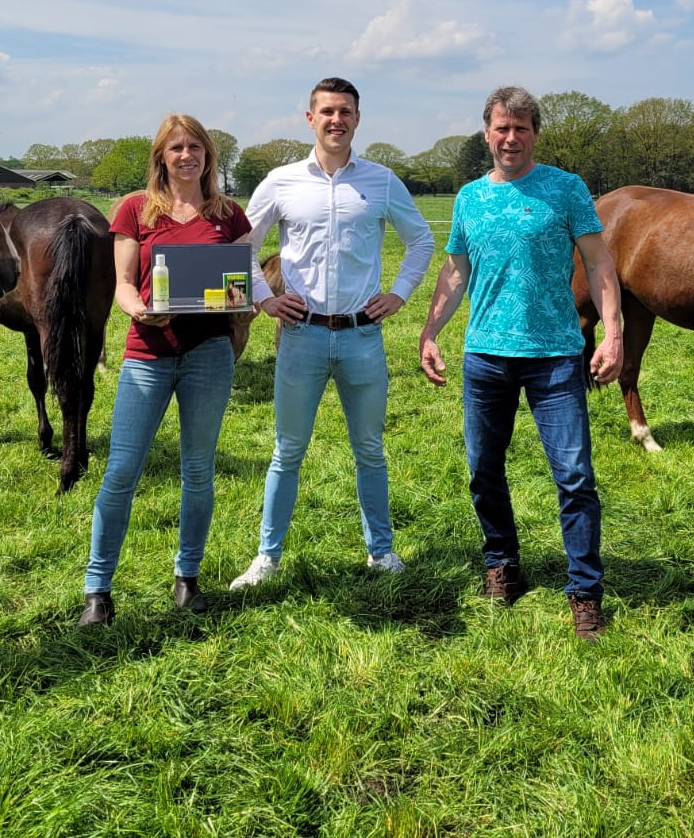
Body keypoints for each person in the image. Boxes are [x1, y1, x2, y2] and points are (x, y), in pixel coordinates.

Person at [418, 86, 624, 641]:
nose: (511, 138)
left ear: (535, 133)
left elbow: (600, 262)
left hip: (556, 355)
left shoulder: (565, 189)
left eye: (522, 128)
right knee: (484, 470)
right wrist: (430, 331)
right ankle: (502, 563)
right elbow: (456, 269)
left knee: (575, 475)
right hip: (485, 356)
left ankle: (584, 590)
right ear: (486, 132)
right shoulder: (468, 199)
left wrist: (613, 333)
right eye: (501, 128)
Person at [229, 77, 436, 588]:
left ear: (357, 119)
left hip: (363, 337)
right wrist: (264, 298)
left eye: (345, 111)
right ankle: (267, 557)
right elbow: (240, 249)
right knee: (287, 451)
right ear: (309, 118)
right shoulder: (280, 181)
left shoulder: (382, 181)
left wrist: (401, 293)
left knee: (369, 449)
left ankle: (381, 552)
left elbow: (422, 241)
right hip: (301, 338)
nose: (336, 120)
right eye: (326, 111)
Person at [79, 114, 251, 626]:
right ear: (161, 156)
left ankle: (187, 578)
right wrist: (139, 311)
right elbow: (124, 284)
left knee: (198, 471)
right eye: (176, 147)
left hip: (208, 356)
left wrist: (239, 304)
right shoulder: (135, 210)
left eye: (195, 146)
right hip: (147, 354)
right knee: (121, 471)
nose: (186, 155)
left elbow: (239, 288)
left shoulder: (228, 216)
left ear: (208, 156)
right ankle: (98, 590)